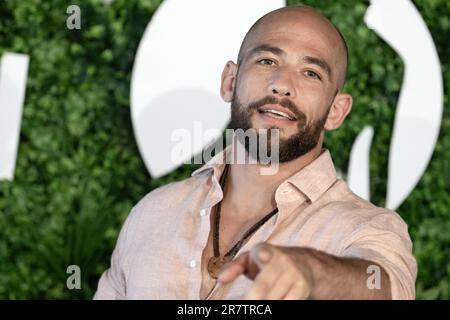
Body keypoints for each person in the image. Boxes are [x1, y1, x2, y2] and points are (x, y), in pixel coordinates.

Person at [94, 5, 416, 300]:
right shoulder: (152, 213)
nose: (281, 85)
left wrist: (313, 273)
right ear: (230, 82)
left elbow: (387, 287)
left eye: (311, 73)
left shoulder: (369, 228)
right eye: (267, 61)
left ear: (336, 111)